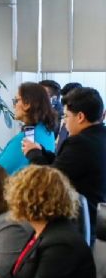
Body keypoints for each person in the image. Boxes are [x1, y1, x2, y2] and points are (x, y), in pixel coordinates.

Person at [24, 87, 106, 228]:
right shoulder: (100, 136)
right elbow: (66, 165)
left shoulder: (80, 142)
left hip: (78, 222)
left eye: (66, 116)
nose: (65, 123)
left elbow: (51, 181)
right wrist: (42, 152)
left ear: (80, 117)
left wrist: (34, 155)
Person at [0, 82, 56, 175]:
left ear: (27, 104)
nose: (13, 105)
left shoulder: (26, 139)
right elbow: (11, 160)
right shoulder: (46, 131)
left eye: (16, 100)